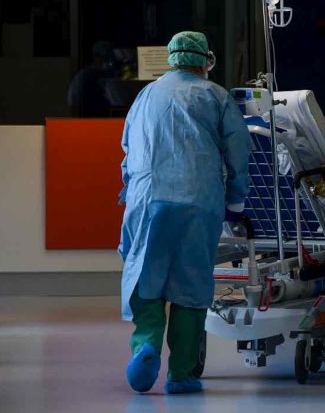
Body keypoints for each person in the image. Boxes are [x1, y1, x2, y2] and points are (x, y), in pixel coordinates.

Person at [118, 31, 251, 394]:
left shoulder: (146, 95)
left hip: (148, 199)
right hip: (198, 200)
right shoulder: (215, 95)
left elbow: (128, 149)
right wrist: (236, 199)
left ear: (172, 58)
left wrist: (133, 190)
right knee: (191, 286)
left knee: (145, 277)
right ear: (205, 60)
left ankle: (146, 346)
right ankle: (181, 374)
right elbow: (238, 149)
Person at [67, 40, 117, 117]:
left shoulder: (112, 76)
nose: (107, 62)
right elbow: (73, 103)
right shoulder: (84, 77)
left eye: (109, 58)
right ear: (95, 57)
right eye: (103, 57)